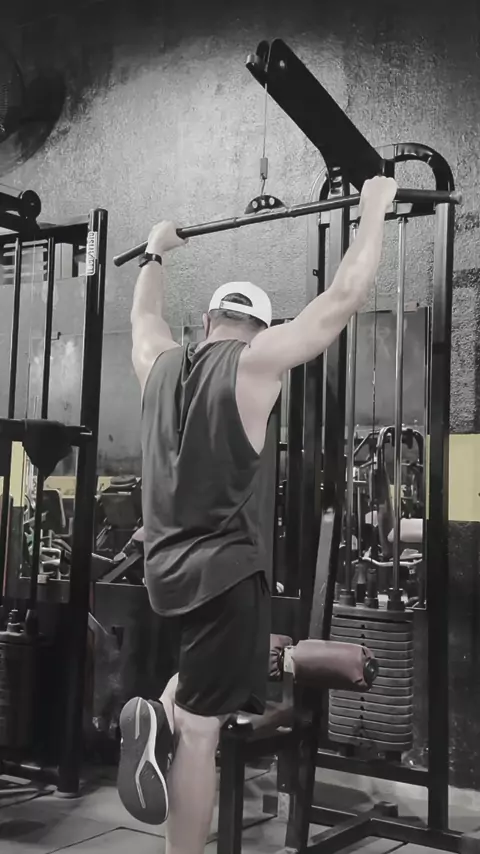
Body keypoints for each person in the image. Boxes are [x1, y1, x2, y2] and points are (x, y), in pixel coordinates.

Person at [117, 175, 398, 854]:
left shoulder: (158, 364)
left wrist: (155, 252)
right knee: (202, 734)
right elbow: (342, 299)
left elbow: (143, 318)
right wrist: (373, 212)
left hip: (163, 576)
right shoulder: (255, 363)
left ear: (207, 320)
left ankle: (158, 711)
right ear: (259, 328)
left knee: (200, 691)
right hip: (227, 576)